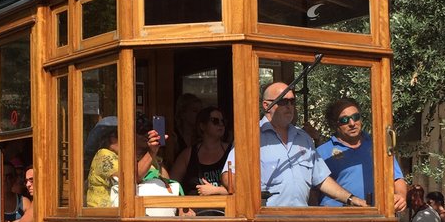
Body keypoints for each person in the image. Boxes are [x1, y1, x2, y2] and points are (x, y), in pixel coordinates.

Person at [222, 83, 368, 208]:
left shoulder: (303, 138)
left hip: (299, 219)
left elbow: (321, 179)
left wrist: (351, 199)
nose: (289, 106)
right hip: (265, 220)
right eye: (283, 101)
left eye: (292, 101)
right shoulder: (251, 137)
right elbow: (229, 176)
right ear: (267, 105)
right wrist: (252, 202)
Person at [314, 98, 408, 211]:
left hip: (374, 215)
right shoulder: (322, 153)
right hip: (337, 217)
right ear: (335, 124)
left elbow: (396, 178)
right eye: (344, 120)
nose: (352, 123)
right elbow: (313, 192)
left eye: (355, 117)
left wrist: (401, 196)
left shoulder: (378, 147)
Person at [168, 105, 231, 203]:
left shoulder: (231, 151)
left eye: (223, 121)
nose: (221, 124)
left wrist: (217, 190)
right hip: (194, 209)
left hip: (225, 208)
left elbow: (241, 187)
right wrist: (182, 206)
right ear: (202, 126)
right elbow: (171, 184)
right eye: (215, 121)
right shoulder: (188, 154)